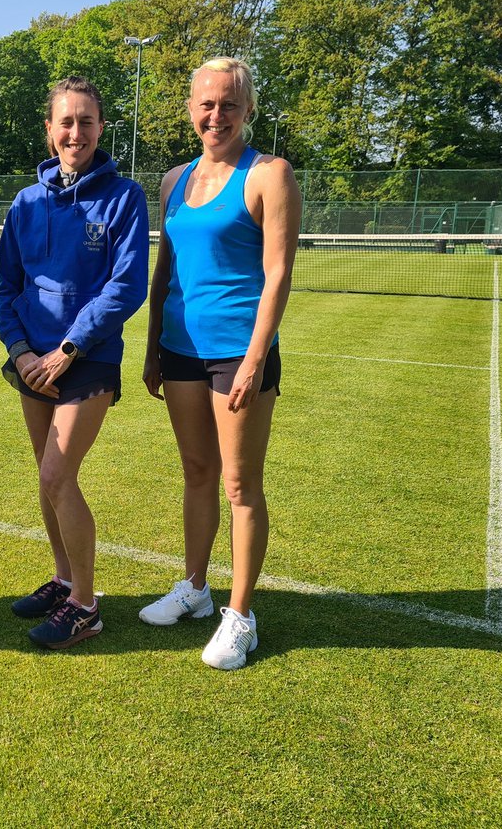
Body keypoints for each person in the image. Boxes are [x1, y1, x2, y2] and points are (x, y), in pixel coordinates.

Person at [139, 56, 301, 670]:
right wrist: (154, 343)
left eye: (229, 104)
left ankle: (241, 615)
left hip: (239, 352)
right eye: (207, 104)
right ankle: (197, 590)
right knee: (196, 471)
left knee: (240, 485)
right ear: (190, 109)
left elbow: (279, 273)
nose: (217, 115)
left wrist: (256, 359)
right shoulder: (174, 181)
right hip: (180, 349)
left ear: (248, 109)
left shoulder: (270, 174)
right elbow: (166, 269)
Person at [0, 76, 149, 650]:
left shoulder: (124, 197)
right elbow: (5, 284)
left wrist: (67, 350)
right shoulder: (27, 202)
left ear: (101, 128)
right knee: (47, 476)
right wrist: (22, 352)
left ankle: (86, 607)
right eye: (66, 121)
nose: (75, 131)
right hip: (33, 362)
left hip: (86, 360)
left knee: (58, 475)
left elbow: (126, 285)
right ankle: (64, 580)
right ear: (50, 129)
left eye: (87, 121)